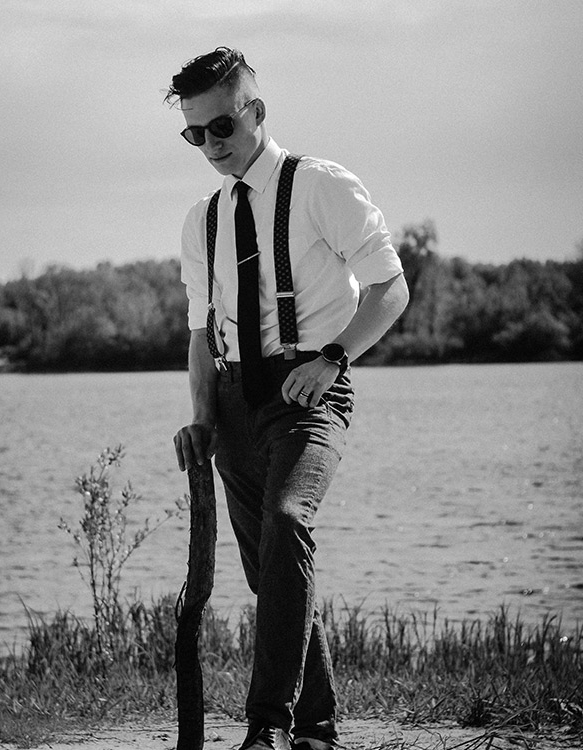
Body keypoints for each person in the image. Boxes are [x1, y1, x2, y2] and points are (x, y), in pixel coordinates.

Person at [169, 47, 409, 750]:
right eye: (195, 133)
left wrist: (334, 358)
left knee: (286, 522)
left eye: (222, 126)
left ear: (257, 112)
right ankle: (318, 727)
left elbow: (391, 287)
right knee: (271, 570)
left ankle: (266, 725)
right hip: (234, 403)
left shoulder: (320, 186)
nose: (211, 144)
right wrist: (202, 418)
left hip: (310, 393)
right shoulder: (202, 220)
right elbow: (200, 333)